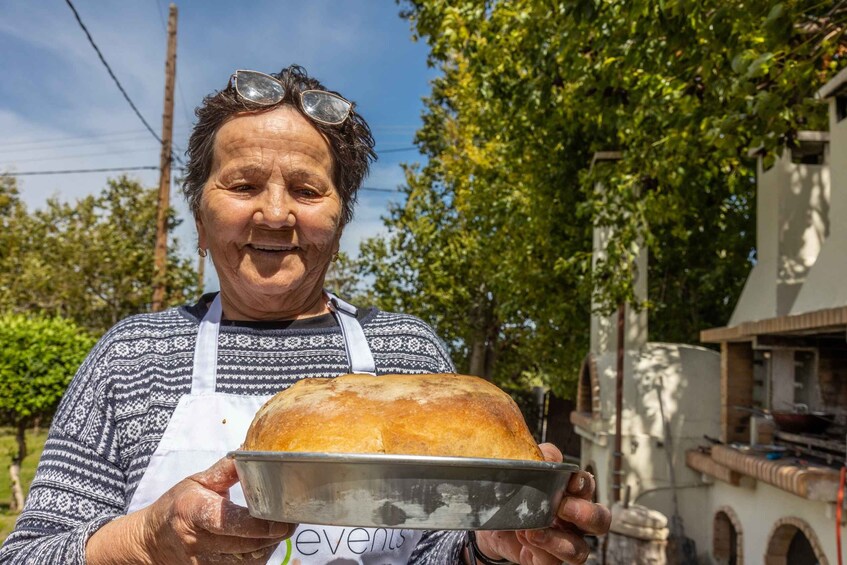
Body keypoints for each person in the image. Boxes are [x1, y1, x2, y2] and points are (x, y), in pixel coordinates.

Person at [0, 65, 610, 564]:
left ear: (340, 220)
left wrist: (491, 547)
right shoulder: (134, 357)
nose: (275, 213)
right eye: (242, 185)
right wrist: (145, 541)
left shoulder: (407, 354)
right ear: (200, 216)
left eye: (307, 189)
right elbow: (28, 555)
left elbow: (435, 546)